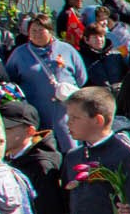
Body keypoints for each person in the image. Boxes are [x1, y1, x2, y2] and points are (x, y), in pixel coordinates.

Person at [7, 14, 88, 153]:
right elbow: (11, 80)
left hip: (66, 113)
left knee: (72, 151)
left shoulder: (66, 49)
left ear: (50, 31)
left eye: (41, 30)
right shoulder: (20, 54)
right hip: (38, 114)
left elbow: (81, 77)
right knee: (44, 153)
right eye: (33, 31)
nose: (37, 34)